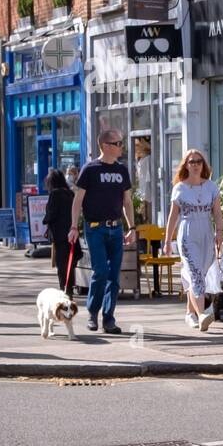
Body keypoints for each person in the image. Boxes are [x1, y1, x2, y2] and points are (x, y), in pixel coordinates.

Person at [68, 128, 137, 334]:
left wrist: (132, 227)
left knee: (114, 275)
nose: (121, 147)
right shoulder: (90, 169)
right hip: (95, 228)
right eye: (118, 143)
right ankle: (92, 313)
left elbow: (127, 201)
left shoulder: (121, 170)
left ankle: (109, 318)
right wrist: (74, 226)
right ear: (105, 146)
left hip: (116, 228)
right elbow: (78, 200)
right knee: (100, 271)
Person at [163, 149, 223, 332]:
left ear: (203, 165)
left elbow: (217, 213)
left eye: (199, 161)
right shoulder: (180, 188)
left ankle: (190, 313)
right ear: (186, 165)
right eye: (192, 162)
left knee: (200, 274)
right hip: (187, 233)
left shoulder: (211, 187)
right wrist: (167, 241)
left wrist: (219, 232)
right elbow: (173, 217)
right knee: (195, 273)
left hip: (206, 232)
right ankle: (202, 314)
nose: (196, 165)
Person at [43, 168, 79, 295]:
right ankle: (69, 287)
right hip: (71, 232)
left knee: (61, 263)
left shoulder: (54, 194)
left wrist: (45, 220)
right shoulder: (70, 193)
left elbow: (51, 214)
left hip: (60, 234)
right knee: (70, 262)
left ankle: (65, 288)